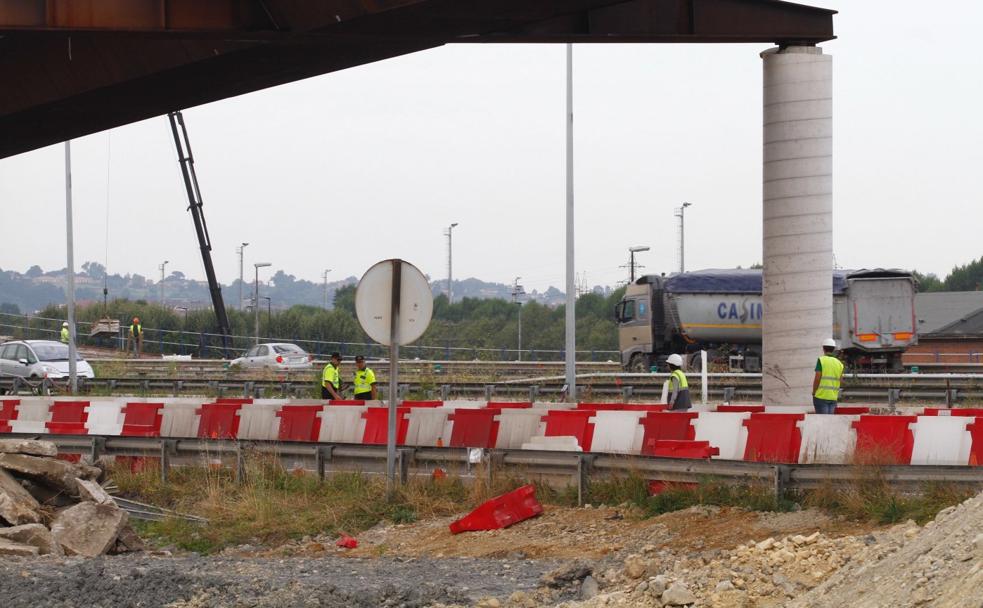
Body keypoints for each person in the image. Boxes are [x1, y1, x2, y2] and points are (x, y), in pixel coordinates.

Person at [812, 338, 844, 414]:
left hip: (821, 396)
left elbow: (817, 378)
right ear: (833, 349)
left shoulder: (821, 360)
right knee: (829, 422)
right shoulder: (839, 363)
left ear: (823, 349)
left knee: (822, 422)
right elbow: (841, 381)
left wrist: (814, 392)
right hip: (833, 398)